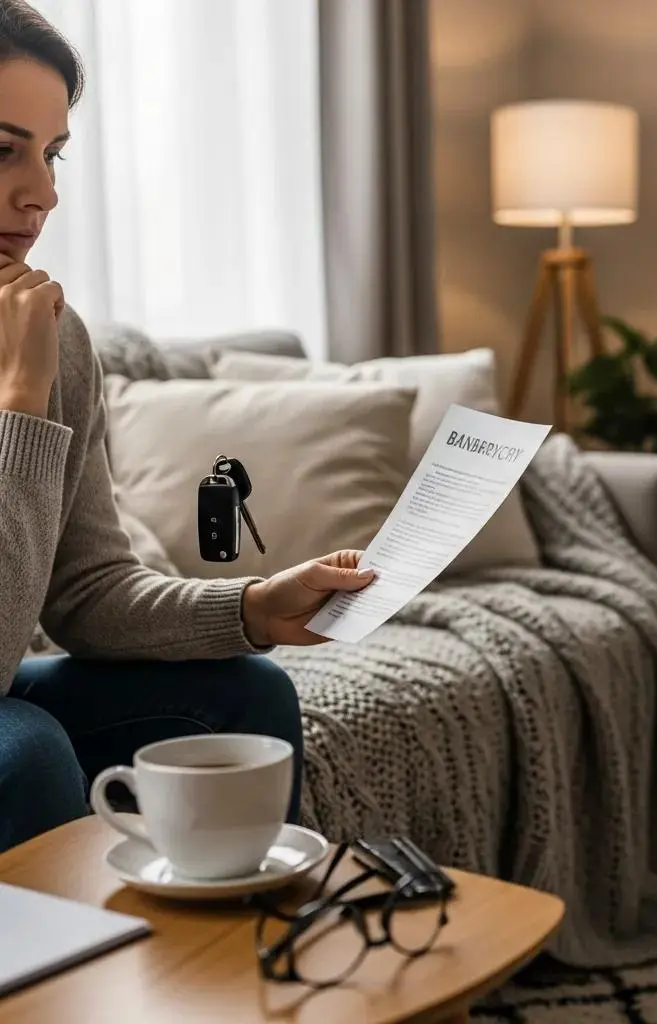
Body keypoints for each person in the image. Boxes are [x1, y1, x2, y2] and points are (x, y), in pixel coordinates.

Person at [0, 0, 375, 854]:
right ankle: (59, 982)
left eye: (53, 154)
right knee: (23, 747)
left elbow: (87, 593)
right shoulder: (30, 355)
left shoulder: (52, 333)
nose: (44, 193)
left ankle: (226, 964)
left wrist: (251, 608)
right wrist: (18, 408)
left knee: (247, 695)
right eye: (3, 149)